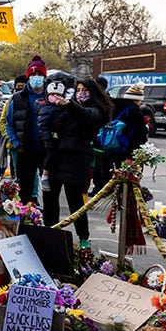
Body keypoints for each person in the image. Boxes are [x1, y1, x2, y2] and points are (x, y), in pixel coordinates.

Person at [40, 77, 111, 248]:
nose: (80, 93)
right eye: (78, 89)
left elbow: (86, 115)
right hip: (57, 159)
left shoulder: (96, 110)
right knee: (50, 199)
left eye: (84, 90)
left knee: (76, 203)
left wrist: (69, 105)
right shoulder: (66, 108)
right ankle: (51, 233)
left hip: (78, 160)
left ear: (92, 92)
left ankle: (83, 237)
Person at [92, 82, 150, 195]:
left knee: (110, 171)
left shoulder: (112, 105)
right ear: (137, 99)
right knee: (126, 177)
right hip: (126, 149)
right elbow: (140, 133)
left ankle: (107, 191)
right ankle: (122, 199)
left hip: (108, 144)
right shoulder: (134, 110)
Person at [4, 58, 49, 203]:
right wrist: (17, 143)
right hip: (25, 150)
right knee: (24, 190)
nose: (37, 79)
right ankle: (25, 219)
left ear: (45, 77)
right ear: (29, 77)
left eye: (40, 76)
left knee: (50, 191)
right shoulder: (18, 98)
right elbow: (9, 123)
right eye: (33, 76)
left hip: (48, 151)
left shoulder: (52, 96)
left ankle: (49, 223)